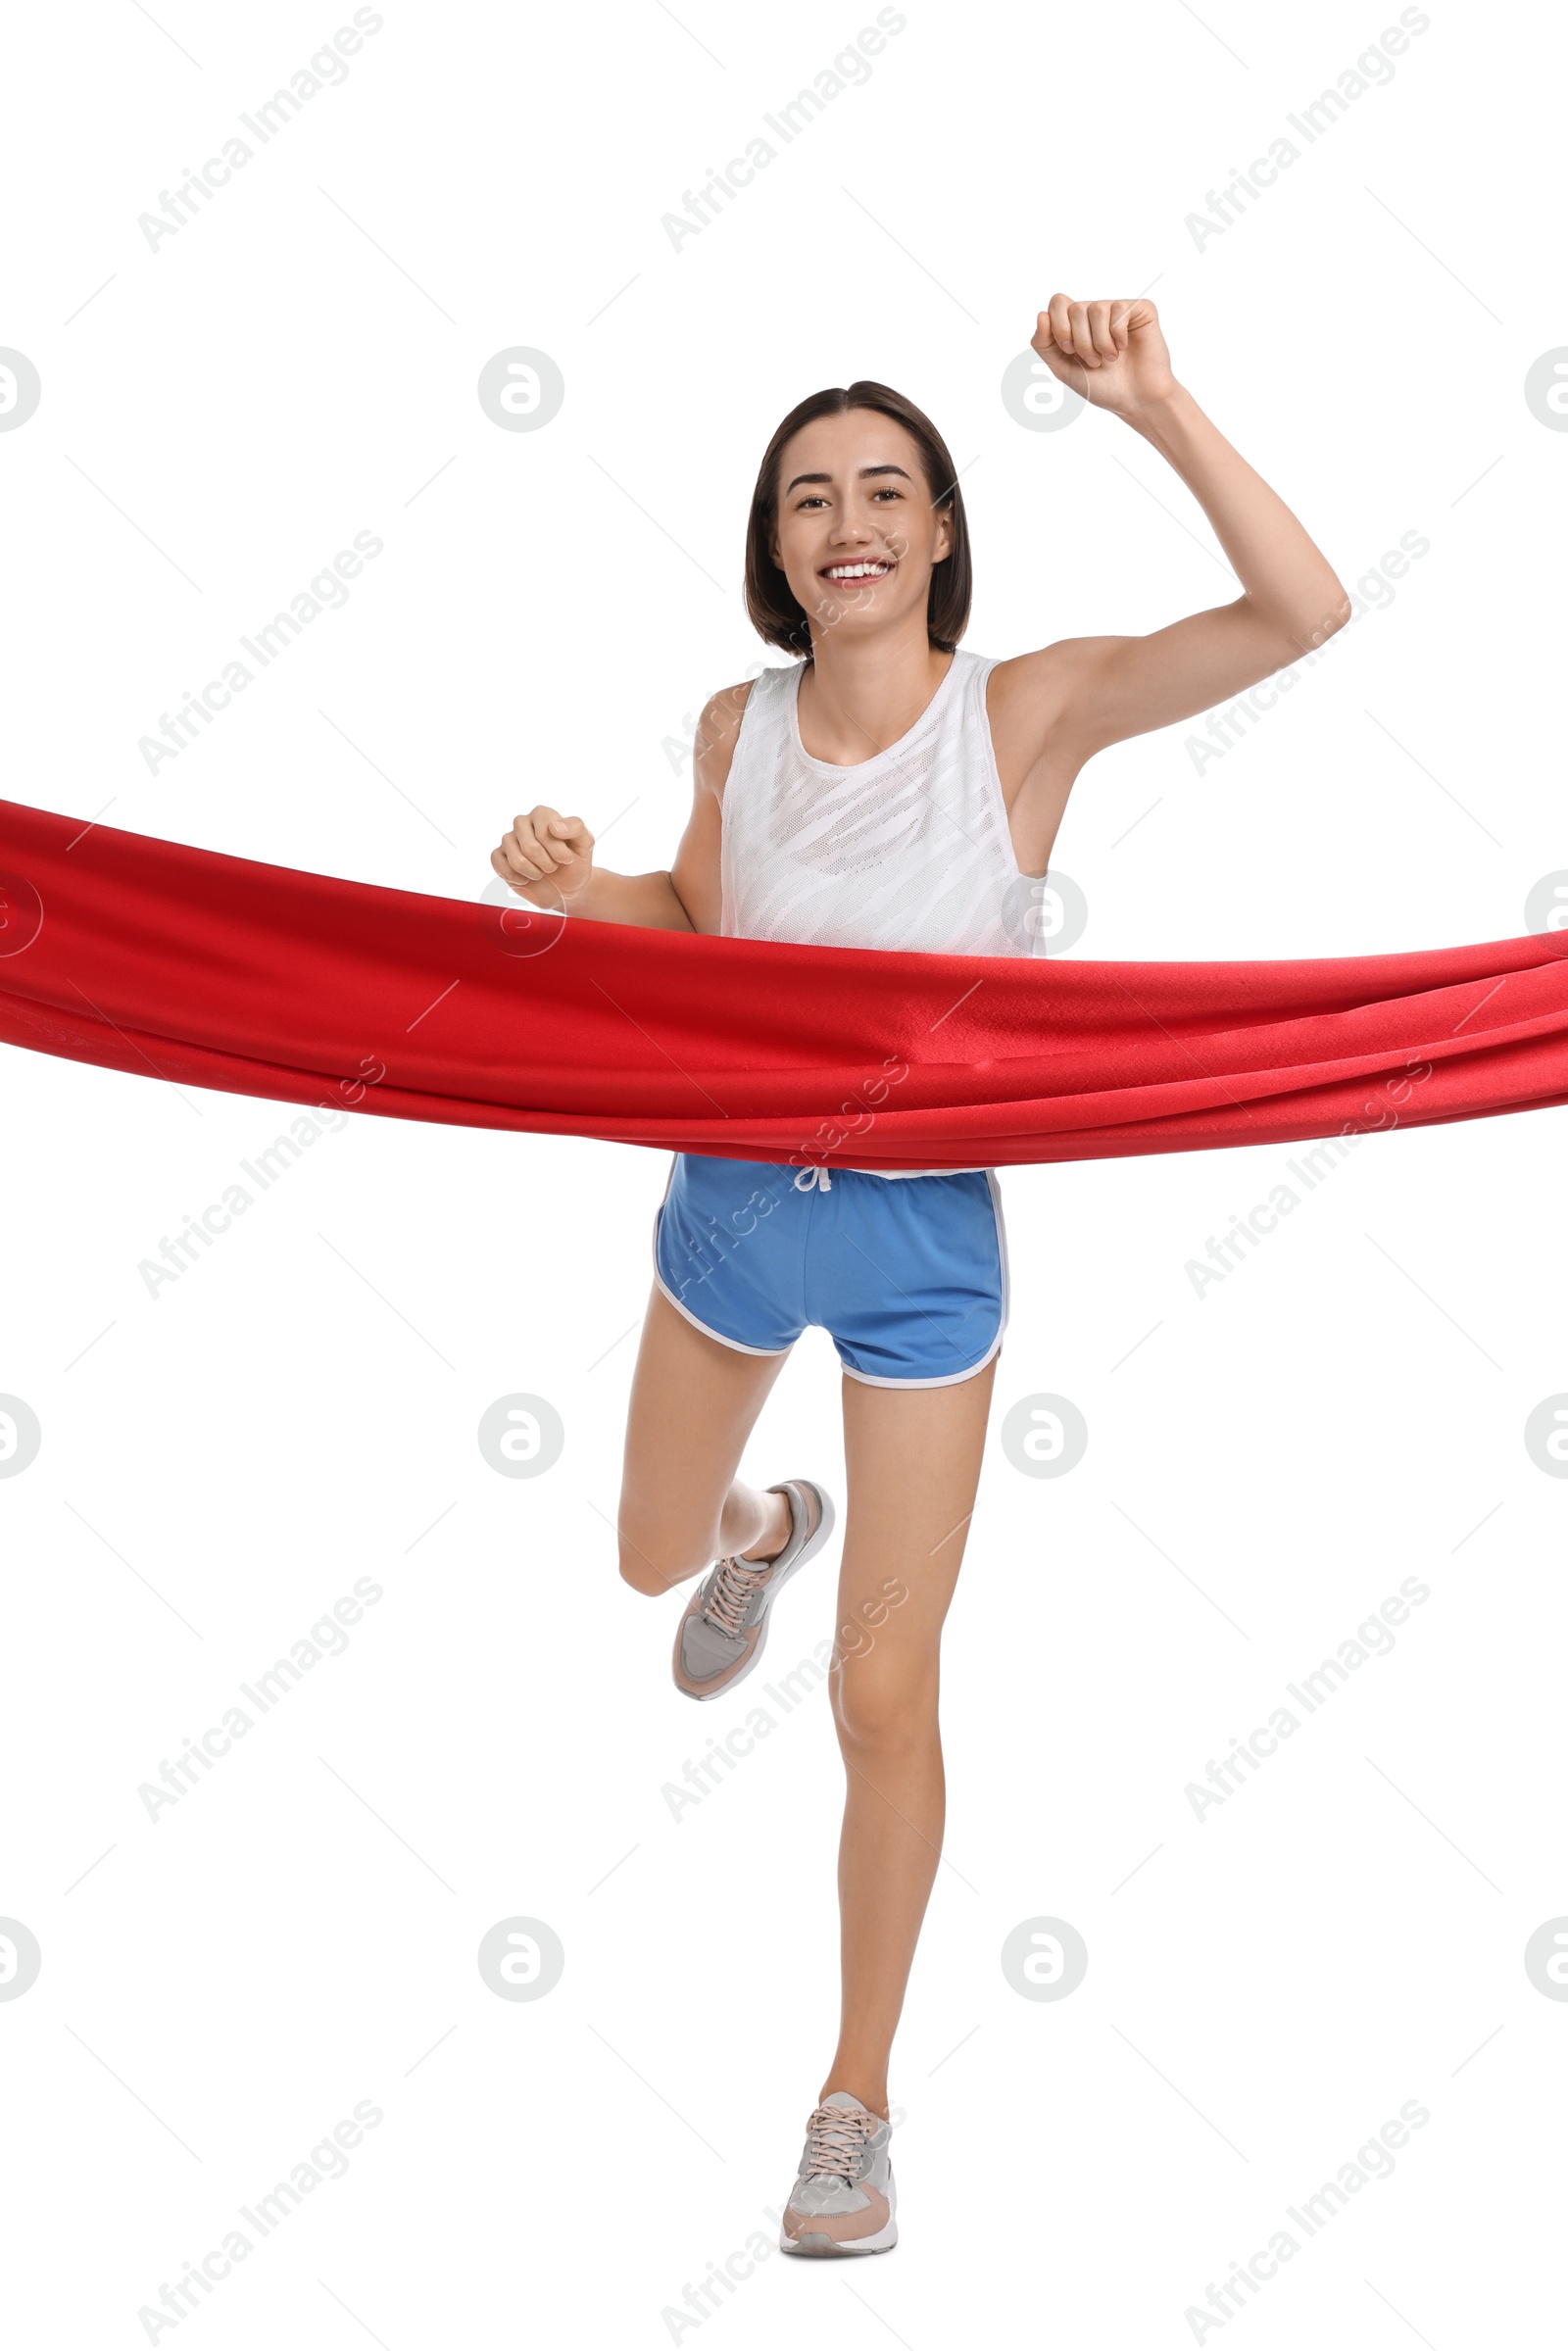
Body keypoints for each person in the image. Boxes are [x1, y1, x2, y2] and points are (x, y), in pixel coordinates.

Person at [491, 295, 1349, 2257]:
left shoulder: (1025, 710)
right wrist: (577, 891)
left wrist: (1152, 405)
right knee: (636, 1558)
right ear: (775, 547)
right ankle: (753, 1526)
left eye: (882, 487)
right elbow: (695, 935)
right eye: (808, 496)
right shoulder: (733, 725)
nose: (844, 519)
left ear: (940, 529)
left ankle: (850, 2101)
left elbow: (1301, 617)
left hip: (915, 1261)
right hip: (728, 1205)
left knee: (880, 1692)